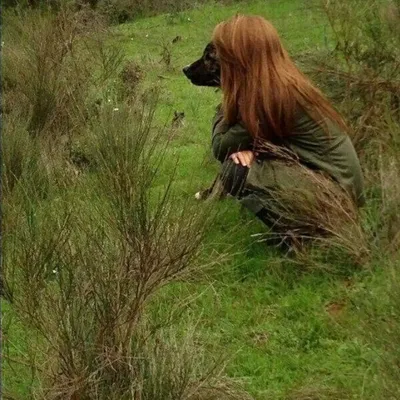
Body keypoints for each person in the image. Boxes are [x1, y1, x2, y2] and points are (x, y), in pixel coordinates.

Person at [209, 15, 365, 235]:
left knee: (236, 170)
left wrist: (222, 107)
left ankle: (303, 238)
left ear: (241, 58)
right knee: (246, 162)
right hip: (342, 192)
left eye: (223, 55)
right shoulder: (283, 84)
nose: (220, 62)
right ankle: (307, 231)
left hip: (336, 201)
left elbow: (221, 146)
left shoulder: (269, 98)